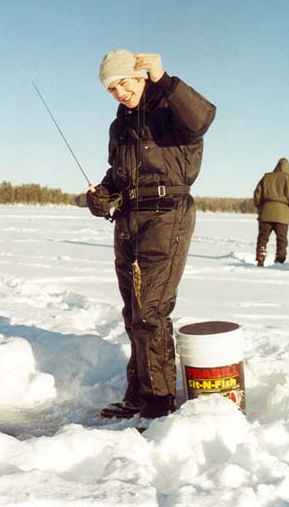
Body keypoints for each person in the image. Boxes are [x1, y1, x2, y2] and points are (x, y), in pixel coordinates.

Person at [86, 49, 216, 419]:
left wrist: (165, 79)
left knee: (151, 311)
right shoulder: (121, 125)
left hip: (166, 217)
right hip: (129, 220)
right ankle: (138, 394)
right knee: (134, 313)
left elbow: (203, 117)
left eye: (124, 82)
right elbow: (118, 175)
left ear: (141, 76)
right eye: (111, 88)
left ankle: (158, 403)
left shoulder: (171, 109)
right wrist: (101, 196)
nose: (119, 92)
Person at [253, 158, 289, 266]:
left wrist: (261, 207)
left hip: (265, 213)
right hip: (282, 216)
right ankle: (280, 260)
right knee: (281, 240)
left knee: (263, 238)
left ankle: (260, 256)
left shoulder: (266, 177)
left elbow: (257, 195)